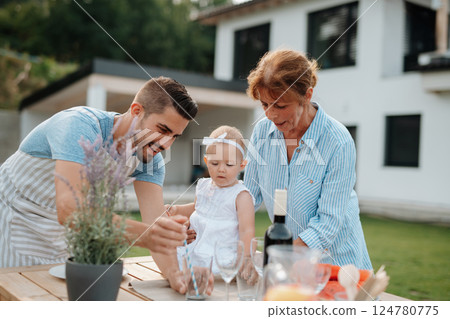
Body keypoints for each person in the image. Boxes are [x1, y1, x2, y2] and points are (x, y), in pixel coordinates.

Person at [0, 76, 211, 293]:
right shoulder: (79, 125)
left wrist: (178, 277)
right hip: (13, 222)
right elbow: (70, 210)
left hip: (66, 237)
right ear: (137, 110)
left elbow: (154, 224)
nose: (166, 144)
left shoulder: (150, 158)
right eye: (163, 129)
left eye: (175, 136)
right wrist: (147, 235)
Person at [244, 49, 372, 270]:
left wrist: (281, 263)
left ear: (307, 95)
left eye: (281, 106)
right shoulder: (262, 133)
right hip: (289, 266)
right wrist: (204, 218)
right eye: (265, 105)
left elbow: (327, 223)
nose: (270, 115)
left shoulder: (338, 142)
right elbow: (247, 197)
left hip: (337, 268)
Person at [167, 126, 255, 274]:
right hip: (196, 248)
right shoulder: (203, 185)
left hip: (221, 253)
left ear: (241, 165)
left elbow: (247, 231)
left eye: (229, 164)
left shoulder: (241, 195)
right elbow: (197, 207)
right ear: (207, 161)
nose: (221, 169)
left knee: (215, 277)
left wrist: (245, 259)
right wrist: (176, 209)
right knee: (172, 260)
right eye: (215, 163)